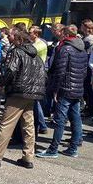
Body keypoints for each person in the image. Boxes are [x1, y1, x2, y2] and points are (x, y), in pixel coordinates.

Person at [0, 29, 47, 169]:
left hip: (18, 92)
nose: (9, 37)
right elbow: (43, 74)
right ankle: (28, 157)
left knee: (6, 124)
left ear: (18, 39)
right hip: (33, 93)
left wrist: (1, 84)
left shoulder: (17, 52)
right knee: (28, 125)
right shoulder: (36, 55)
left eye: (11, 36)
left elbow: (11, 70)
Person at [37, 25, 89, 158]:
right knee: (75, 118)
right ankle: (73, 148)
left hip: (65, 88)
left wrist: (55, 90)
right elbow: (84, 71)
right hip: (77, 87)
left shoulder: (65, 49)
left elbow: (60, 71)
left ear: (65, 34)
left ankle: (53, 149)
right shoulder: (82, 48)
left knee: (59, 119)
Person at [28, 26, 48, 134]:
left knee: (35, 101)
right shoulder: (33, 44)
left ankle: (42, 124)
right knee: (35, 101)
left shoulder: (40, 45)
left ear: (36, 34)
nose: (28, 34)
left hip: (37, 75)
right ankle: (41, 123)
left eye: (30, 32)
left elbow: (29, 53)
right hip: (33, 74)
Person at [79, 19, 93, 118]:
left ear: (86, 27)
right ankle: (88, 108)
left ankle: (90, 110)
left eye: (82, 26)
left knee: (88, 88)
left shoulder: (89, 38)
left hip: (88, 66)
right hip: (85, 65)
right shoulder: (85, 37)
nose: (80, 27)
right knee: (86, 88)